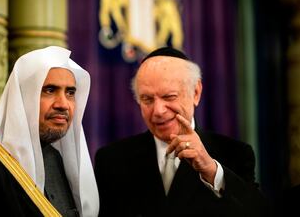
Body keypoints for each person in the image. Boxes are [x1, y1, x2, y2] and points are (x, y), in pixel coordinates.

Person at [94, 47, 269, 216]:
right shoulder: (111, 160)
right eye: (147, 99)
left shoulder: (234, 155)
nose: (158, 111)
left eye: (168, 97)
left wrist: (211, 171)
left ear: (196, 93)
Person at [0, 46, 99, 217]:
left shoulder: (57, 159)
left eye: (70, 93)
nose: (63, 104)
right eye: (50, 90)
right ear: (24, 95)